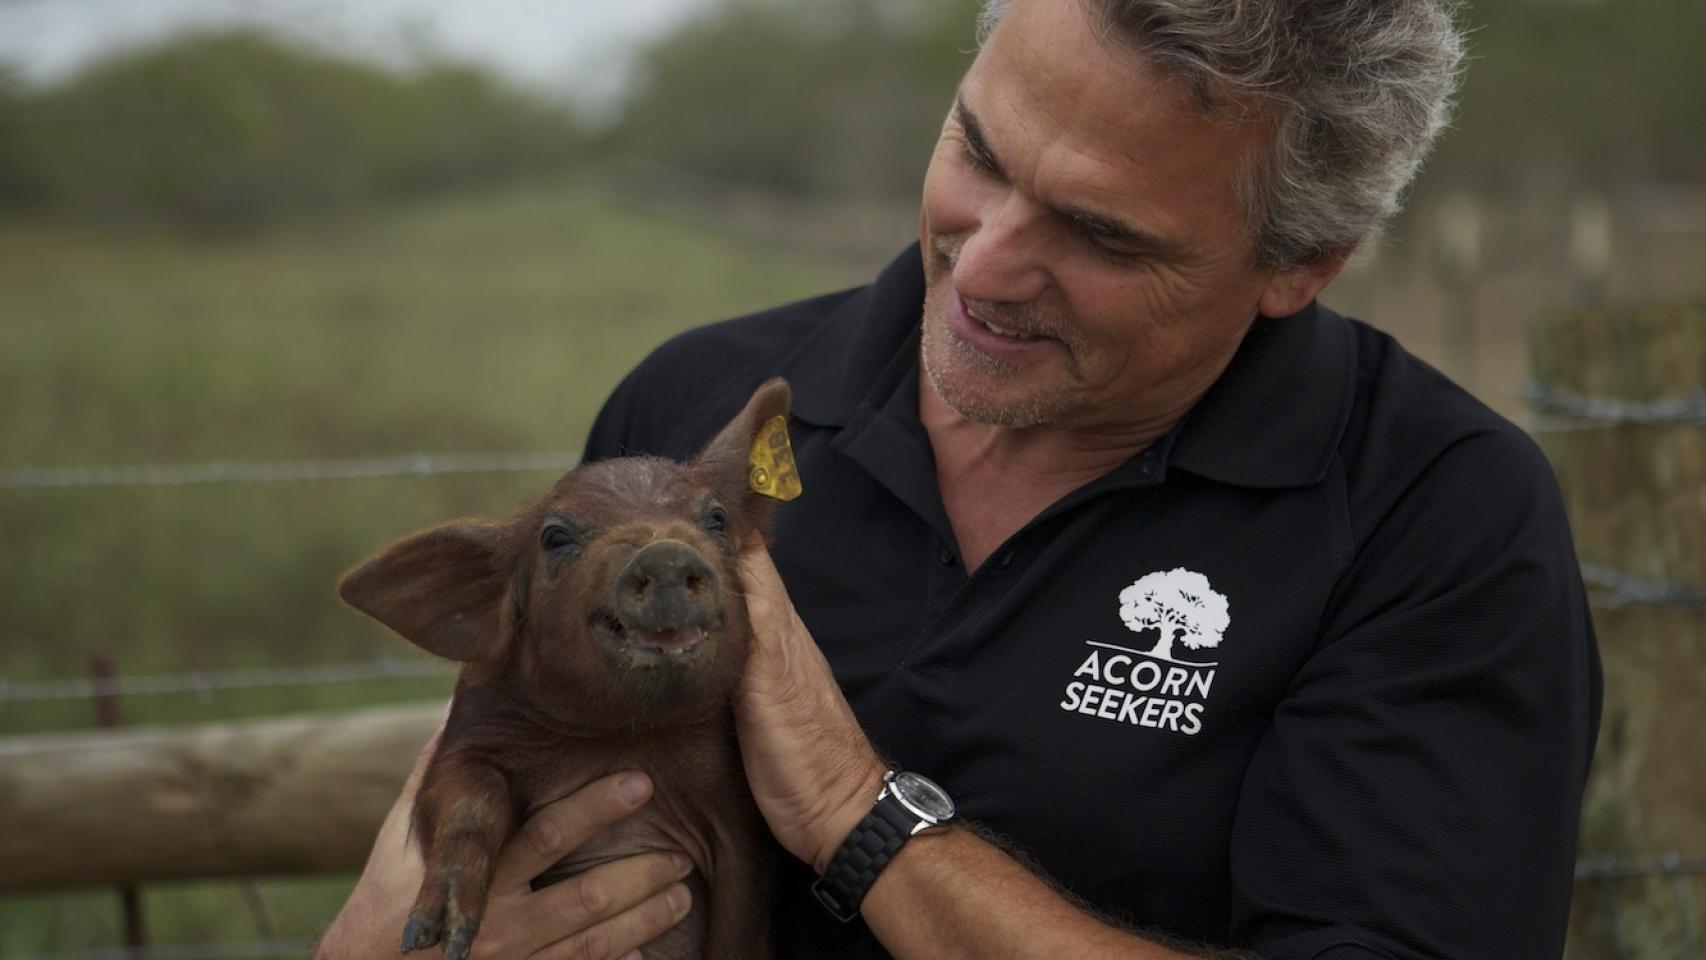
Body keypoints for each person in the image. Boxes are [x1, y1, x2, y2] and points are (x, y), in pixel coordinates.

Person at [317, 0, 1602, 957]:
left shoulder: (1437, 522)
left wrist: (854, 812)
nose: (982, 267)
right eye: (979, 154)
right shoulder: (691, 408)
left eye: (1098, 232)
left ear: (1300, 265)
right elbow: (488, 779)